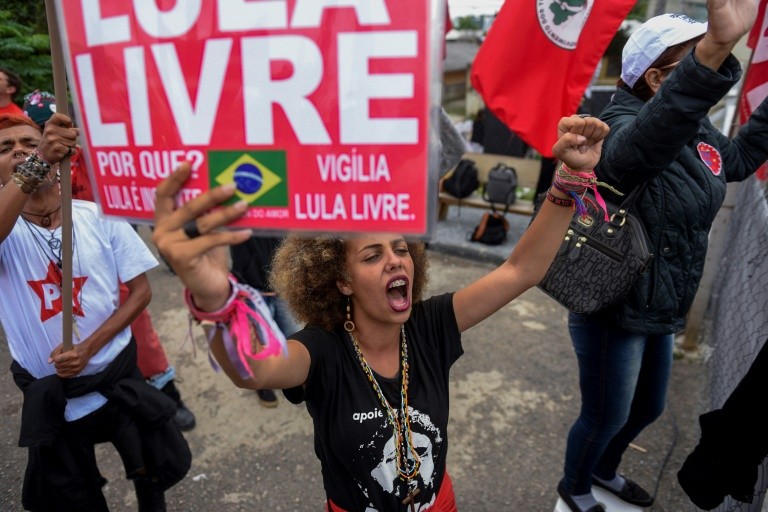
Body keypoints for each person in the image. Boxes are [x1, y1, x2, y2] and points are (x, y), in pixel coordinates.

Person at [153, 114, 609, 510]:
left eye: (400, 248)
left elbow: (521, 269)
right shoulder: (321, 351)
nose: (394, 259)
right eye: (371, 256)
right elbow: (251, 369)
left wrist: (569, 177)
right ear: (341, 280)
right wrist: (215, 300)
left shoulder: (430, 326)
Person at [555, 2, 768, 512]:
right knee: (604, 415)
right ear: (655, 78)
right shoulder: (619, 125)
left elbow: (732, 161)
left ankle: (604, 470)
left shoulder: (693, 125)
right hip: (614, 306)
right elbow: (644, 146)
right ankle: (576, 485)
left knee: (647, 408)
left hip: (659, 302)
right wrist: (716, 49)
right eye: (694, 59)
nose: (709, 66)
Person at [0, 113, 191, 511]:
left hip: (114, 373)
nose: (18, 150)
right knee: (76, 493)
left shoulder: (97, 215)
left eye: (29, 144)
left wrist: (88, 348)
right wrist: (35, 162)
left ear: (59, 156)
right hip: (50, 392)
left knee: (147, 468)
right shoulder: (7, 232)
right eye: (6, 148)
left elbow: (140, 292)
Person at [22, 89, 197, 431]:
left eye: (59, 125)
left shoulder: (88, 161)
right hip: (50, 274)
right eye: (43, 129)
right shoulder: (24, 169)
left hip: (104, 261)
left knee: (137, 327)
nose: (54, 134)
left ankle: (167, 395)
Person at [230, 235, 303, 407]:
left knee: (294, 335)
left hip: (282, 284)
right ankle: (263, 382)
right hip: (250, 287)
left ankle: (299, 376)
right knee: (261, 341)